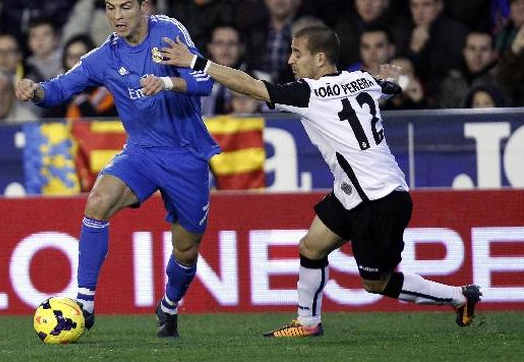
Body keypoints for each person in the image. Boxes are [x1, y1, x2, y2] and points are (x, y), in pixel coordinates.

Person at [159, 24, 482, 337]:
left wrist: (197, 63)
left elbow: (249, 86)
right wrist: (394, 78)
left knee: (376, 283)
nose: (290, 61)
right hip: (355, 193)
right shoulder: (361, 79)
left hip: (377, 199)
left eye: (297, 53)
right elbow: (392, 81)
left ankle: (458, 296)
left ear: (320, 59)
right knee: (311, 248)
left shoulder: (310, 93)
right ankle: (307, 322)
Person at [14, 0, 219, 338]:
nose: (118, 16)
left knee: (186, 250)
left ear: (144, 6)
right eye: (110, 8)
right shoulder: (104, 57)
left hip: (186, 156)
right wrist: (35, 91)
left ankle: (169, 306)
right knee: (97, 202)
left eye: (126, 7)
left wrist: (170, 81)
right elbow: (60, 88)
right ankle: (85, 304)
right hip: (140, 152)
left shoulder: (168, 32)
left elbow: (206, 82)